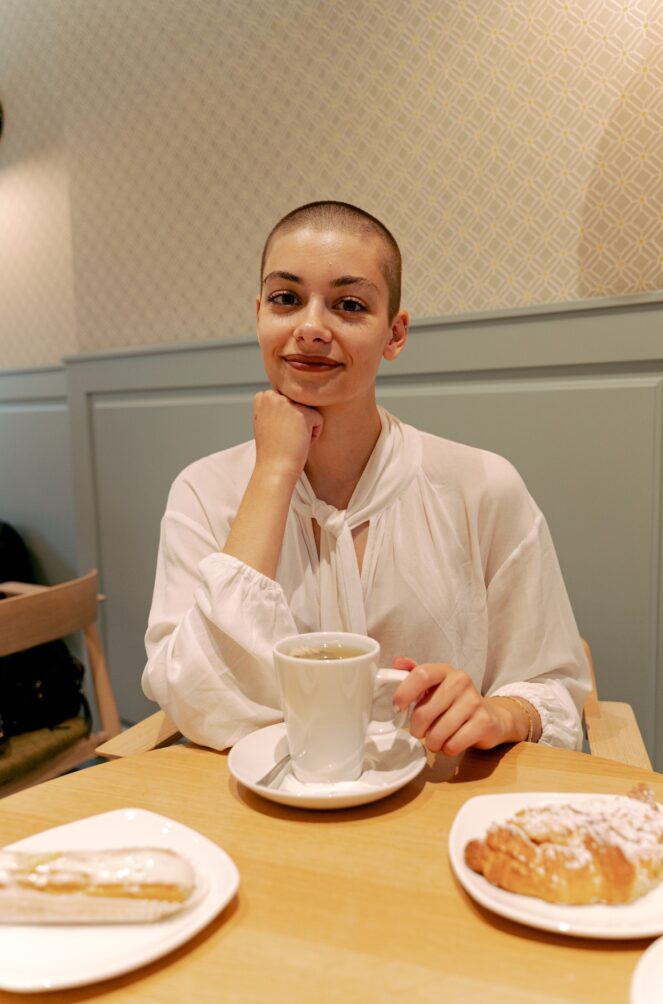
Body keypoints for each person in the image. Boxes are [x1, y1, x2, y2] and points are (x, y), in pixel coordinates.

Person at [142, 200, 591, 755]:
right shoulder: (203, 492)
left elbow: (553, 687)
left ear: (394, 334)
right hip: (260, 817)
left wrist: (497, 712)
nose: (310, 328)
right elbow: (198, 702)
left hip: (439, 806)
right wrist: (275, 470)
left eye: (348, 305)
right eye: (286, 299)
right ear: (259, 314)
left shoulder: (483, 486)